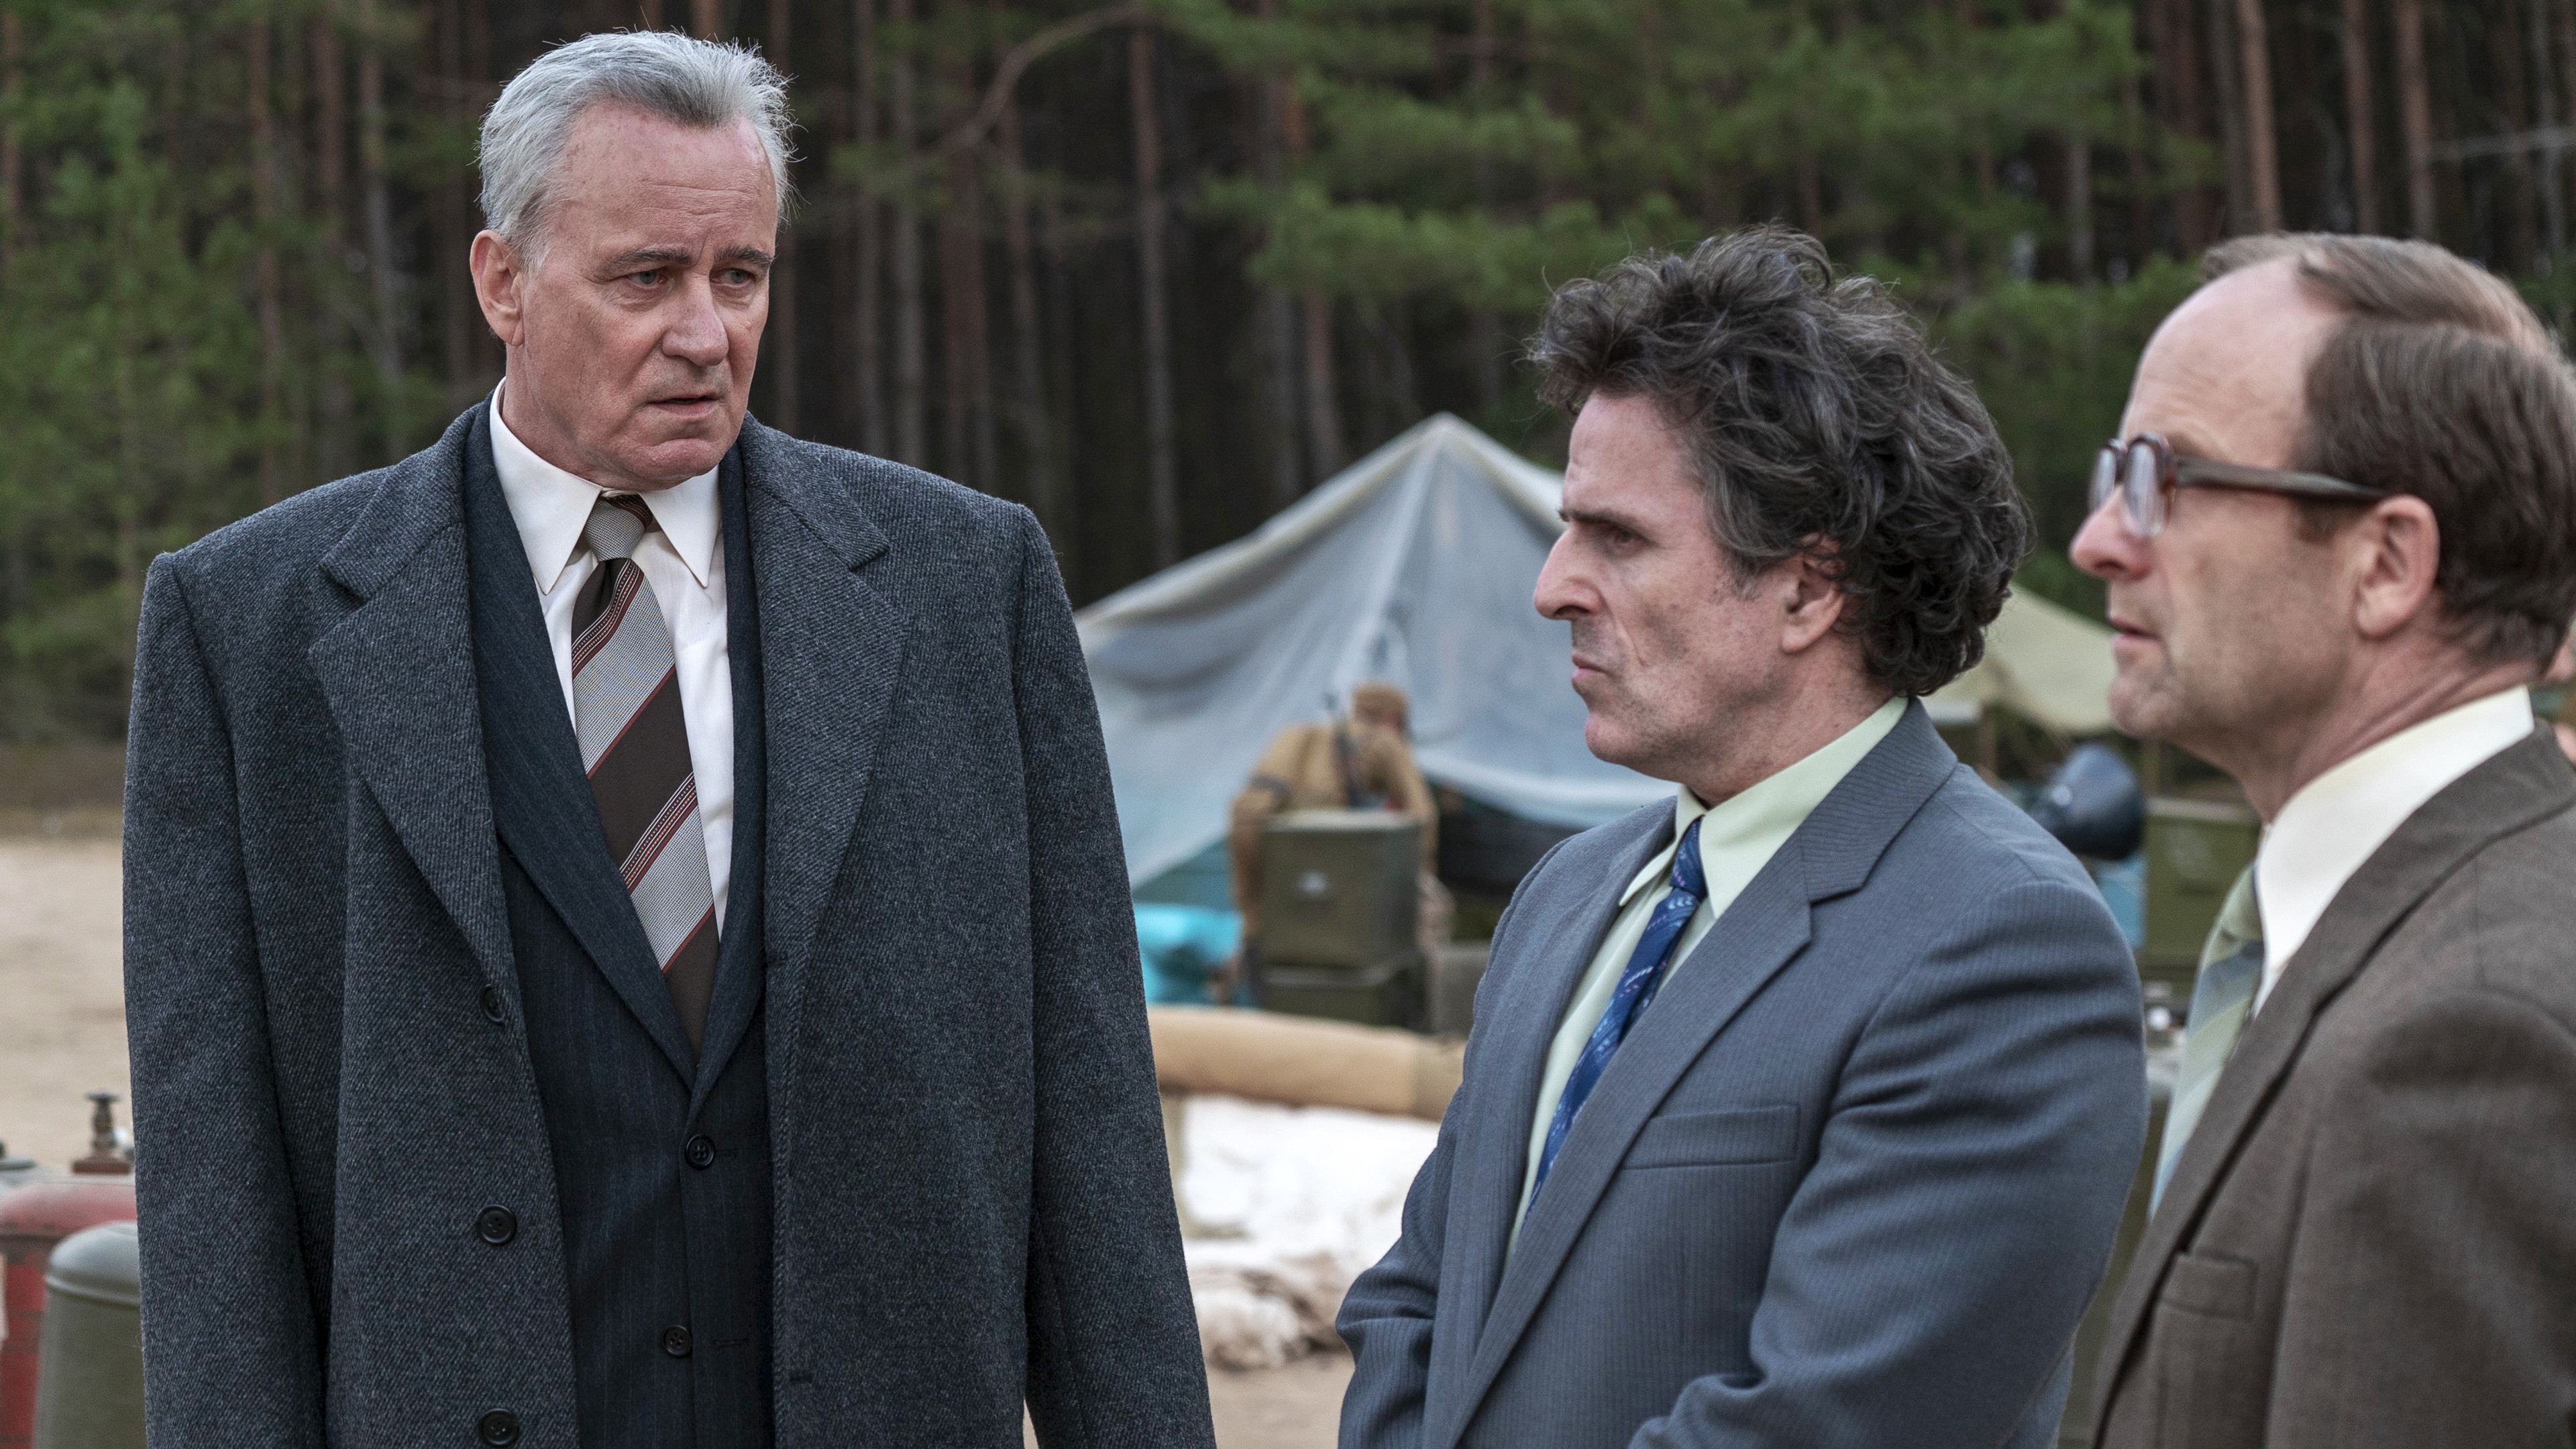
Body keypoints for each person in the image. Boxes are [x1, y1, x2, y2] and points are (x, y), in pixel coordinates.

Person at [119, 32, 1211, 1449]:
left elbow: (1092, 1124)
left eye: (739, 276)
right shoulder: (243, 627)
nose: (706, 333)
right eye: (646, 278)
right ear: (503, 282)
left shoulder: (970, 587)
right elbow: (212, 1198)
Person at [1336, 227, 2147, 1449]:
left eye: (1618, 538)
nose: (1553, 586)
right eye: (1567, 528)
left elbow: (1827, 1425)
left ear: (1809, 590)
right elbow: (1415, 1303)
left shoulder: (2000, 945)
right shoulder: (1571, 893)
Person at [2074, 235, 2576, 1447]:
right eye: (2116, 472)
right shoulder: (2416, 934)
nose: (2100, 540)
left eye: (2168, 477)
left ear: (2387, 564)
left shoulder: (2468, 1031)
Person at [1226, 682, 1445, 962]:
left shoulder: (1306, 734)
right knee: (1342, 931)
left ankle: (1252, 960)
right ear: (1393, 719)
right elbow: (1423, 814)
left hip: (1251, 823)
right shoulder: (1385, 740)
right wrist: (1421, 875)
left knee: (1266, 931)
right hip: (1322, 839)